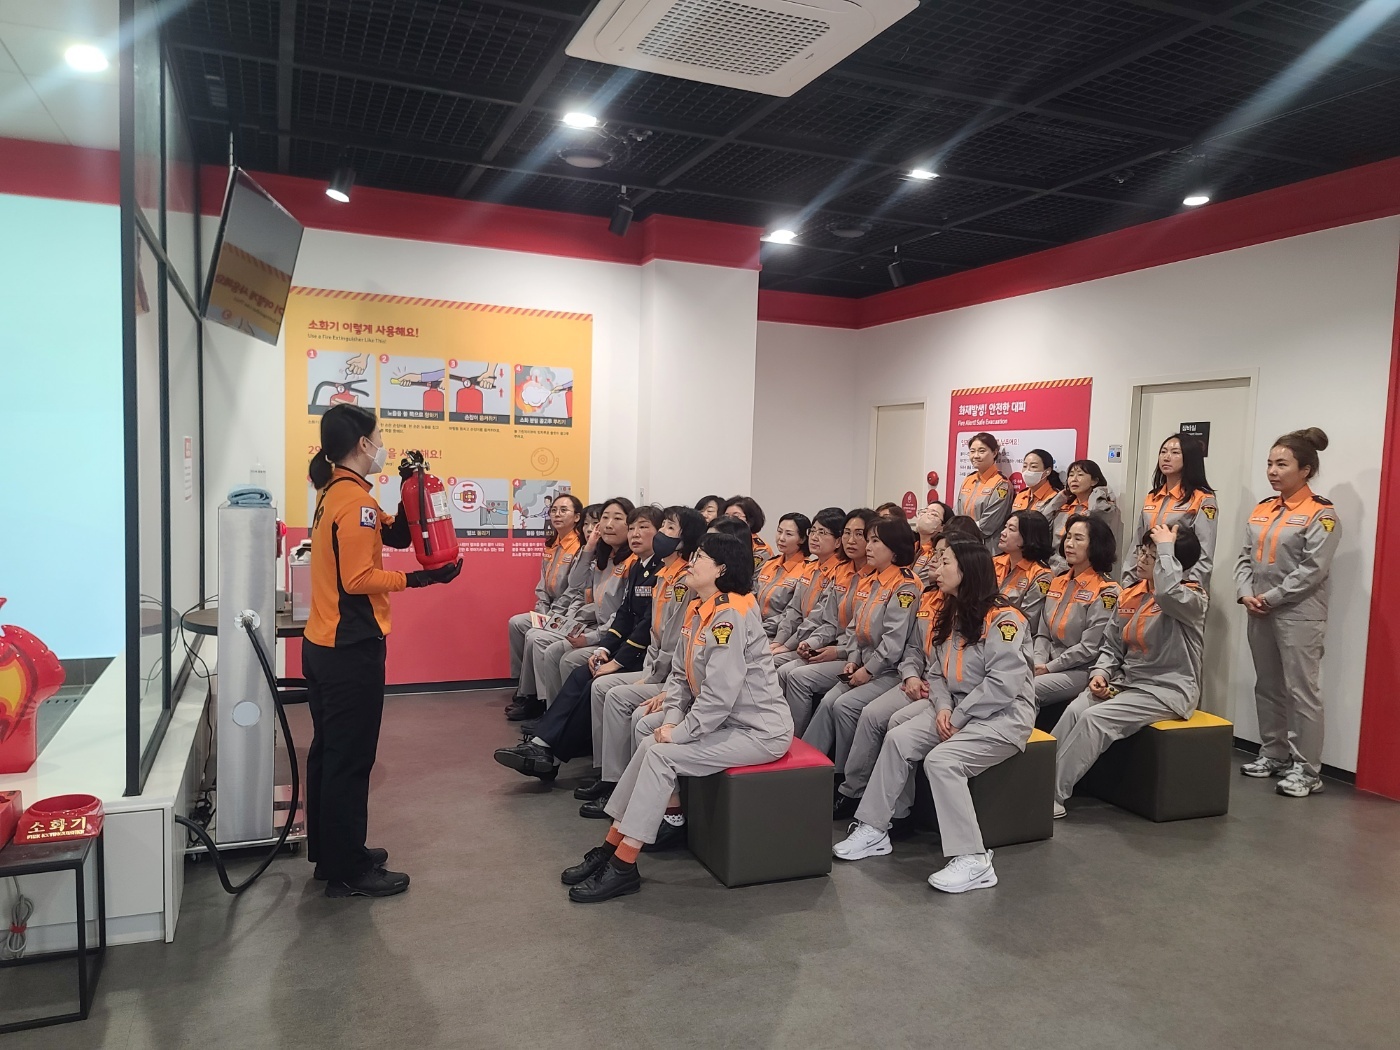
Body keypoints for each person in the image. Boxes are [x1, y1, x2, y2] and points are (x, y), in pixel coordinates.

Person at [561, 532, 794, 903]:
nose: (690, 562)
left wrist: (682, 732)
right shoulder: (701, 608)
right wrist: (672, 720)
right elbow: (680, 679)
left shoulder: (730, 615)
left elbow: (719, 695)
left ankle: (623, 864)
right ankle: (610, 848)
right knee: (650, 743)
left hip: (758, 731)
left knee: (661, 755)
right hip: (725, 723)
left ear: (721, 569)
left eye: (700, 557)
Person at [302, 406, 461, 898]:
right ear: (362, 445)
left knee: (331, 753)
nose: (382, 445)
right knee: (350, 759)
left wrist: (412, 493)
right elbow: (358, 579)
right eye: (378, 437)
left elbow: (390, 532)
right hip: (350, 648)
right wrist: (421, 579)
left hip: (325, 645)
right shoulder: (354, 502)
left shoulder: (337, 490)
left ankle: (333, 854)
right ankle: (348, 870)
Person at [832, 538, 1034, 894]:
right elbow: (938, 673)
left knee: (941, 761)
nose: (935, 569)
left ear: (967, 570)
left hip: (1002, 716)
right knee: (897, 738)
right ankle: (874, 828)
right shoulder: (952, 612)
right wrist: (943, 708)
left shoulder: (1005, 619)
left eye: (945, 563)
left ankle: (974, 859)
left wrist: (957, 716)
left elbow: (1002, 685)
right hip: (954, 708)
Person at [494, 506, 664, 781]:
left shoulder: (658, 570)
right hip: (618, 642)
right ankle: (543, 745)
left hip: (644, 655)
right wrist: (604, 649)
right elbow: (623, 614)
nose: (635, 533)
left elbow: (646, 625)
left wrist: (615, 659)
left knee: (590, 678)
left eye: (642, 527)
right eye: (632, 527)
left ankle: (552, 751)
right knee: (580, 673)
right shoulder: (638, 566)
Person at [1052, 524, 1207, 817]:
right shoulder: (1131, 594)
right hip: (1126, 683)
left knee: (1095, 719)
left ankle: (1051, 796)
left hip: (1166, 689)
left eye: (1153, 556)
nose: (1142, 560)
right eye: (1142, 552)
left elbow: (1168, 592)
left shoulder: (1191, 599)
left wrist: (1166, 548)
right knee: (1075, 710)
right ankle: (1035, 779)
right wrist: (1101, 674)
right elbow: (1111, 646)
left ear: (1173, 563)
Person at [577, 506, 707, 814]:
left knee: (617, 696)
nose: (660, 534)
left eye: (669, 528)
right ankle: (609, 776)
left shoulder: (684, 582)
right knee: (601, 687)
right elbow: (652, 631)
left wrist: (651, 677)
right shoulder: (663, 574)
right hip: (656, 667)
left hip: (669, 675)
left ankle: (622, 785)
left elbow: (676, 643)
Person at [1235, 428, 1340, 797]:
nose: (1272, 471)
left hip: (1299, 614)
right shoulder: (1263, 508)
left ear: (1305, 470)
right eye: (1269, 463)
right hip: (1259, 610)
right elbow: (1245, 558)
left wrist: (1272, 597)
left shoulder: (1321, 513)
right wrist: (1246, 594)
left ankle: (1308, 771)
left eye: (1282, 464)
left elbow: (1313, 569)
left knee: (1302, 693)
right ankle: (1274, 754)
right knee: (1267, 686)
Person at [801, 518, 922, 788]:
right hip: (865, 664)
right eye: (870, 539)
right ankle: (808, 768)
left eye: (875, 540)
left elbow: (894, 642)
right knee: (829, 701)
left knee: (845, 706)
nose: (868, 546)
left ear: (895, 549)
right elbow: (856, 628)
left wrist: (868, 670)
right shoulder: (873, 579)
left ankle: (847, 781)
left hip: (890, 670)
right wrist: (854, 661)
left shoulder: (905, 586)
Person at [777, 509, 877, 733]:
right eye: (847, 533)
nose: (851, 540)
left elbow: (867, 634)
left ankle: (795, 740)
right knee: (785, 670)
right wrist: (809, 643)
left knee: (798, 677)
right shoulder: (842, 571)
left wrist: (838, 651)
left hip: (858, 657)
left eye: (859, 534)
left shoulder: (878, 579)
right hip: (833, 647)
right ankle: (781, 733)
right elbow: (828, 620)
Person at [529, 497, 636, 707]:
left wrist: (591, 638)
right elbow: (576, 583)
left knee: (566, 658)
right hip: (596, 627)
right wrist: (590, 548)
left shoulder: (632, 562)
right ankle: (551, 712)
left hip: (612, 635)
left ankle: (564, 716)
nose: (608, 524)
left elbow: (623, 615)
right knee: (552, 650)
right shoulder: (603, 557)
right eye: (605, 518)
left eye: (617, 518)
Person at [506, 502, 598, 720]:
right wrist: (543, 609)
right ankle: (524, 687)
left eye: (563, 510)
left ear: (575, 516)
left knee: (535, 636)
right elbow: (543, 586)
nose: (557, 514)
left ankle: (539, 700)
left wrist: (555, 616)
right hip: (557, 609)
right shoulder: (553, 544)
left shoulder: (581, 548)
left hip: (573, 615)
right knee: (517, 623)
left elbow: (574, 593)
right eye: (554, 510)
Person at [1034, 515, 1120, 716]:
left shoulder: (1106, 590)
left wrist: (1049, 667)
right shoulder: (1058, 581)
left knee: (1026, 689)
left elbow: (1090, 648)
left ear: (1095, 545)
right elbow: (1043, 634)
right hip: (1048, 662)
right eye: (1068, 537)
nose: (1069, 544)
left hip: (1082, 669)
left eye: (1078, 538)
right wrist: (1037, 663)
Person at [1130, 434, 1217, 585]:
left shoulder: (1202, 499)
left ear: (1189, 458)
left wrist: (1191, 587)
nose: (1166, 457)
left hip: (1179, 583)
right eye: (1163, 452)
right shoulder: (1152, 497)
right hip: (1146, 582)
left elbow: (1204, 552)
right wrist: (1129, 581)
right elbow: (1137, 543)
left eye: (1175, 452)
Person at [770, 507, 847, 664]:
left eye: (822, 533)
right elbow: (794, 610)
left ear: (838, 541)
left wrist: (788, 645)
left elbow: (818, 618)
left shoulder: (839, 573)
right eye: (812, 531)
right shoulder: (810, 567)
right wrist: (779, 641)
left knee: (770, 662)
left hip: (822, 642)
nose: (814, 537)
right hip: (799, 639)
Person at [1049, 460, 1120, 574]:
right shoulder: (1064, 507)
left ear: (1094, 481)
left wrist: (1099, 492)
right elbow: (1041, 522)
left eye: (1080, 475)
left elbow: (1098, 519)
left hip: (1084, 570)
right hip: (1055, 568)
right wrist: (1059, 499)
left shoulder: (1102, 507)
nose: (1074, 479)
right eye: (1071, 475)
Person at [994, 509, 1054, 638]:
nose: (1003, 533)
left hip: (1012, 637)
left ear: (1028, 537)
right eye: (1005, 527)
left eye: (1011, 529)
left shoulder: (1041, 575)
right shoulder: (993, 562)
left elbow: (1028, 621)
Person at [755, 513, 811, 637]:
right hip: (756, 629)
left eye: (789, 534)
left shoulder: (806, 570)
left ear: (802, 539)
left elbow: (792, 614)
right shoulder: (770, 563)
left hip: (781, 634)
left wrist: (759, 629)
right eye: (779, 531)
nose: (781, 538)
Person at [956, 432, 1013, 554]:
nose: (975, 456)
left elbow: (988, 525)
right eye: (972, 451)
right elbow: (958, 513)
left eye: (981, 451)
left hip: (987, 550)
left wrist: (961, 531)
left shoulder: (1001, 484)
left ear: (994, 453)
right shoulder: (968, 480)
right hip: (964, 546)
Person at [722, 495, 772, 567]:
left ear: (750, 520)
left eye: (735, 516)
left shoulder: (760, 549)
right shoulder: (723, 541)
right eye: (726, 516)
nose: (729, 521)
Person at [912, 501, 953, 587]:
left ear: (942, 526)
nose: (926, 515)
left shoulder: (939, 553)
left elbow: (920, 581)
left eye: (934, 514)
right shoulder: (911, 546)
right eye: (924, 511)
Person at [1012, 449, 1063, 516]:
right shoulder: (1020, 495)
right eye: (1025, 466)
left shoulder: (1055, 497)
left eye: (1033, 466)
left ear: (1047, 471)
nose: (1027, 470)